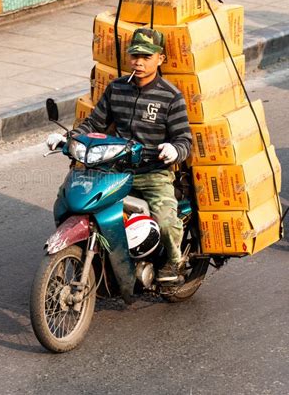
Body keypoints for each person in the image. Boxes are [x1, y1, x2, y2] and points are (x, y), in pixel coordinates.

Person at [46, 28, 192, 282]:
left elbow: (184, 140)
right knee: (69, 199)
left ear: (160, 59)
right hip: (115, 171)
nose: (139, 61)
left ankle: (172, 263)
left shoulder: (171, 96)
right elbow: (94, 123)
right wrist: (68, 138)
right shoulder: (116, 89)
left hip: (152, 173)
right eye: (135, 55)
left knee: (165, 220)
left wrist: (174, 149)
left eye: (147, 56)